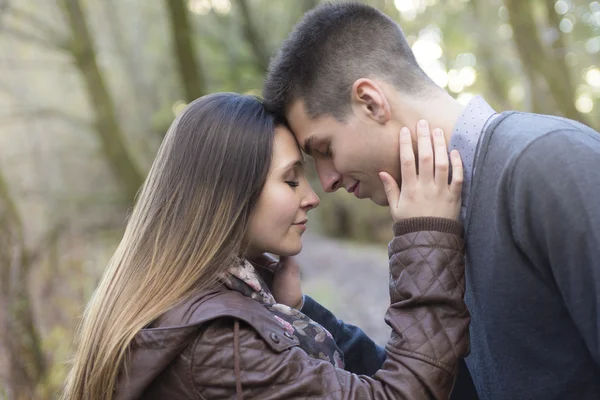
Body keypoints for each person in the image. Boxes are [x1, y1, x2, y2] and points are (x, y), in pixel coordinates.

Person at [262, 2, 600, 400]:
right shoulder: (435, 216)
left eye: (324, 149)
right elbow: (448, 388)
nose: (328, 181)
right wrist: (303, 311)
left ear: (371, 102)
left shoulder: (547, 162)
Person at [61, 92, 469, 399]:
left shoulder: (210, 310)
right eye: (291, 179)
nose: (312, 196)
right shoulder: (217, 344)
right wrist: (425, 237)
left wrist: (295, 311)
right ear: (227, 195)